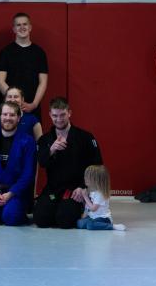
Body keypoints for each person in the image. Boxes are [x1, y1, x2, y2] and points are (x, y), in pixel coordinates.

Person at [33, 97, 103, 229]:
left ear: (69, 113)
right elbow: (42, 163)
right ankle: (56, 208)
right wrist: (51, 150)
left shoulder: (85, 137)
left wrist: (84, 188)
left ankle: (78, 207)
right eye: (55, 116)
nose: (59, 119)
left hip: (75, 190)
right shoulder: (45, 139)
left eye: (62, 115)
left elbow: (97, 166)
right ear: (50, 115)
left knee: (65, 220)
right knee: (41, 219)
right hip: (53, 190)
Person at [0, 101, 36, 226]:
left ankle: (9, 211)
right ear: (0, 117)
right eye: (5, 114)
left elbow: (28, 174)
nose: (8, 118)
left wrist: (10, 194)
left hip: (16, 192)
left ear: (18, 118)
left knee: (11, 217)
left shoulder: (27, 141)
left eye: (12, 115)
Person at [0, 12, 48, 119]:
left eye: (25, 24)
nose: (22, 27)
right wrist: (14, 101)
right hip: (10, 109)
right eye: (18, 25)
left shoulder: (39, 53)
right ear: (14, 29)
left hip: (32, 107)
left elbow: (43, 82)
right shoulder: (5, 52)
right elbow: (0, 82)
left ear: (30, 27)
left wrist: (34, 104)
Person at [76, 165, 126, 231]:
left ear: (96, 180)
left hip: (103, 218)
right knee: (79, 223)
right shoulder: (91, 191)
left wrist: (85, 197)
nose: (85, 178)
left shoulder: (99, 194)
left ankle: (112, 226)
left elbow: (93, 208)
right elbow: (87, 207)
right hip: (92, 217)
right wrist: (84, 216)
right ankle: (97, 225)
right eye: (85, 176)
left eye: (88, 177)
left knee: (90, 225)